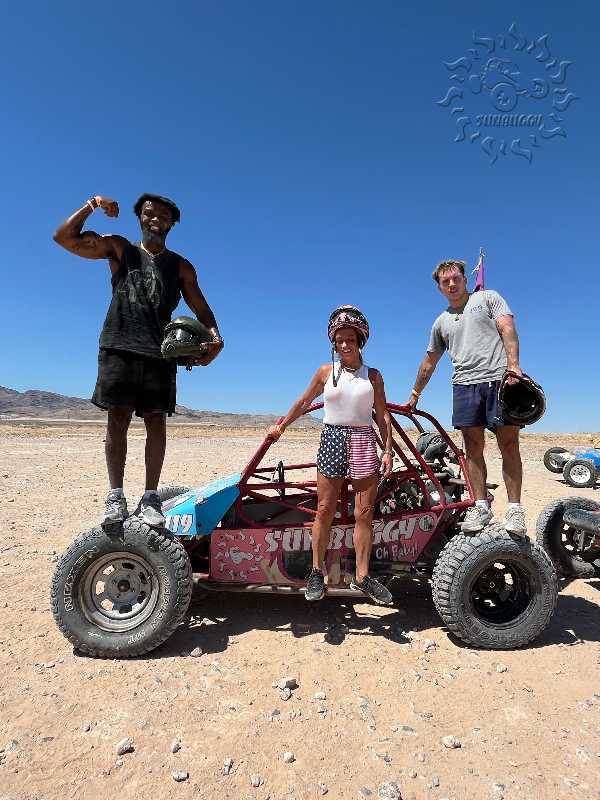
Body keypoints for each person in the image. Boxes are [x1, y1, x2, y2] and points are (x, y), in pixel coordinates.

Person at [53, 193, 223, 527]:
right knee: (117, 420)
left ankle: (150, 498)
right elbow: (64, 238)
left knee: (156, 423)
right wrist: (93, 204)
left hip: (161, 352)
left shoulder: (181, 266)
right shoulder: (120, 249)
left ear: (172, 223)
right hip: (119, 345)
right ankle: (115, 496)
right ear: (140, 218)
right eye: (149, 213)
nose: (155, 218)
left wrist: (216, 339)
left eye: (163, 215)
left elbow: (202, 309)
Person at [268, 306, 394, 605]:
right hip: (332, 438)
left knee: (364, 512)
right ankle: (316, 572)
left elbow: (383, 415)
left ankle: (362, 576)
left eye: (350, 339)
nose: (344, 345)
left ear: (360, 341)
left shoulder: (373, 376)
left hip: (363, 440)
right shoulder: (325, 372)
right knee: (324, 509)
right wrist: (281, 426)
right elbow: (304, 401)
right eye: (339, 340)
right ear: (333, 343)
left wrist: (387, 450)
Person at [405, 259, 526, 535]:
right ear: (439, 288)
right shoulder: (441, 322)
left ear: (464, 279)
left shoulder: (488, 298)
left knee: (509, 444)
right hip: (464, 386)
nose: (451, 284)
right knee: (472, 448)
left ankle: (515, 510)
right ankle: (481, 506)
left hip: (499, 379)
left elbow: (507, 328)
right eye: (445, 281)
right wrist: (415, 394)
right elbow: (429, 362)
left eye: (455, 278)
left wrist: (514, 366)